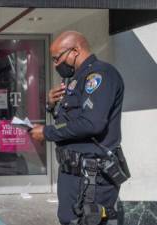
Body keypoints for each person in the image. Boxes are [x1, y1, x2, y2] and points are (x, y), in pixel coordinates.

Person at [30, 31, 126, 225]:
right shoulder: (75, 80)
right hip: (71, 174)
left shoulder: (100, 75)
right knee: (68, 220)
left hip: (93, 176)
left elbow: (92, 124)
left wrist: (47, 132)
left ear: (75, 51)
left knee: (90, 221)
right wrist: (51, 105)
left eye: (57, 58)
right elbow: (69, 121)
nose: (55, 64)